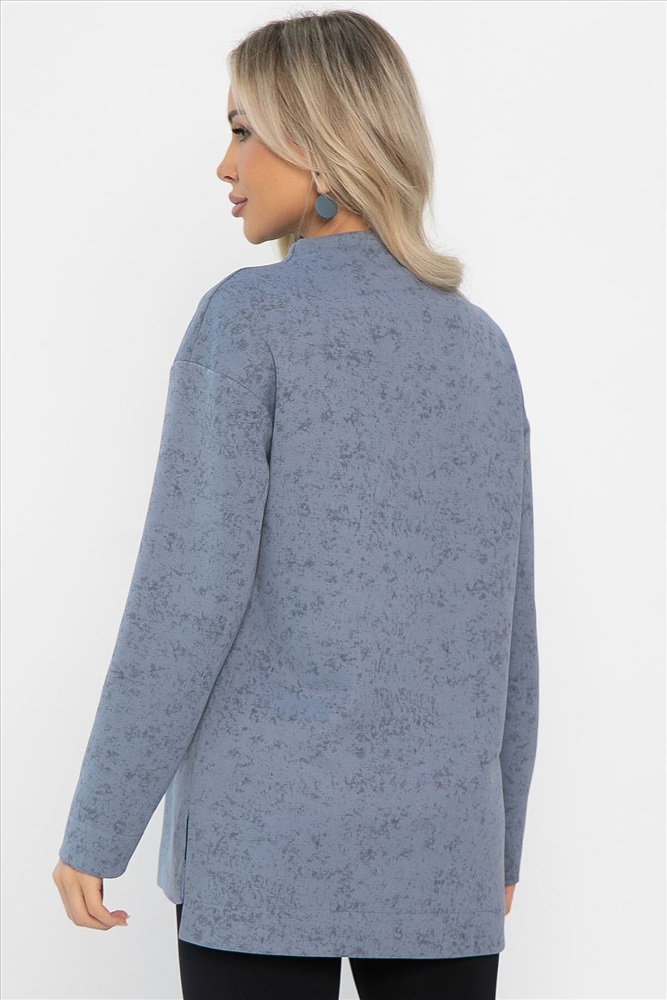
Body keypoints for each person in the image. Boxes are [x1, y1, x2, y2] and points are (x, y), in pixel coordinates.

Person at [53, 9, 539, 999]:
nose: (223, 166)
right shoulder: (478, 343)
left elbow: (186, 600)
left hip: (264, 847)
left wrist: (98, 826)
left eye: (242, 130)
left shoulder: (246, 322)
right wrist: (500, 840)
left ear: (318, 143)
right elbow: (508, 627)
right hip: (443, 850)